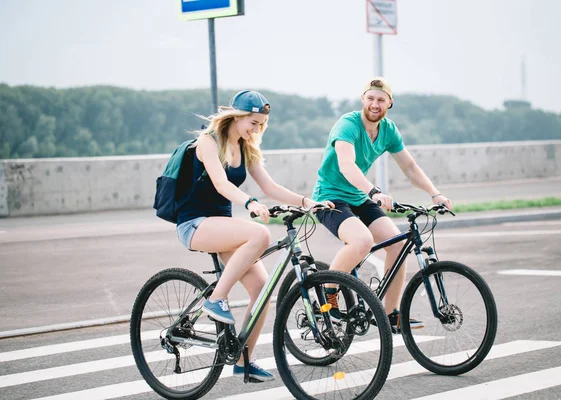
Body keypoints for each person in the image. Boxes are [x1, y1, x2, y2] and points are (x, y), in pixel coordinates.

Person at [176, 90, 332, 382]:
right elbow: (221, 184)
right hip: (195, 223)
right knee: (259, 234)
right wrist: (249, 202)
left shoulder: (246, 148)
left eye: (262, 124)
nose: (257, 129)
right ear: (236, 116)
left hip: (222, 226)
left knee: (261, 291)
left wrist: (307, 202)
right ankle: (216, 299)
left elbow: (270, 186)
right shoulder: (208, 142)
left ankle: (244, 360)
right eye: (253, 122)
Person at [312, 77, 453, 333]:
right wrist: (374, 191)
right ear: (363, 100)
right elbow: (346, 165)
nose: (375, 104)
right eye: (370, 98)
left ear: (390, 103)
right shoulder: (348, 124)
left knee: (399, 245)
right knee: (362, 241)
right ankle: (327, 291)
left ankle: (389, 314)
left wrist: (435, 194)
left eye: (381, 99)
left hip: (358, 197)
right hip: (330, 198)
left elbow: (409, 166)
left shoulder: (388, 130)